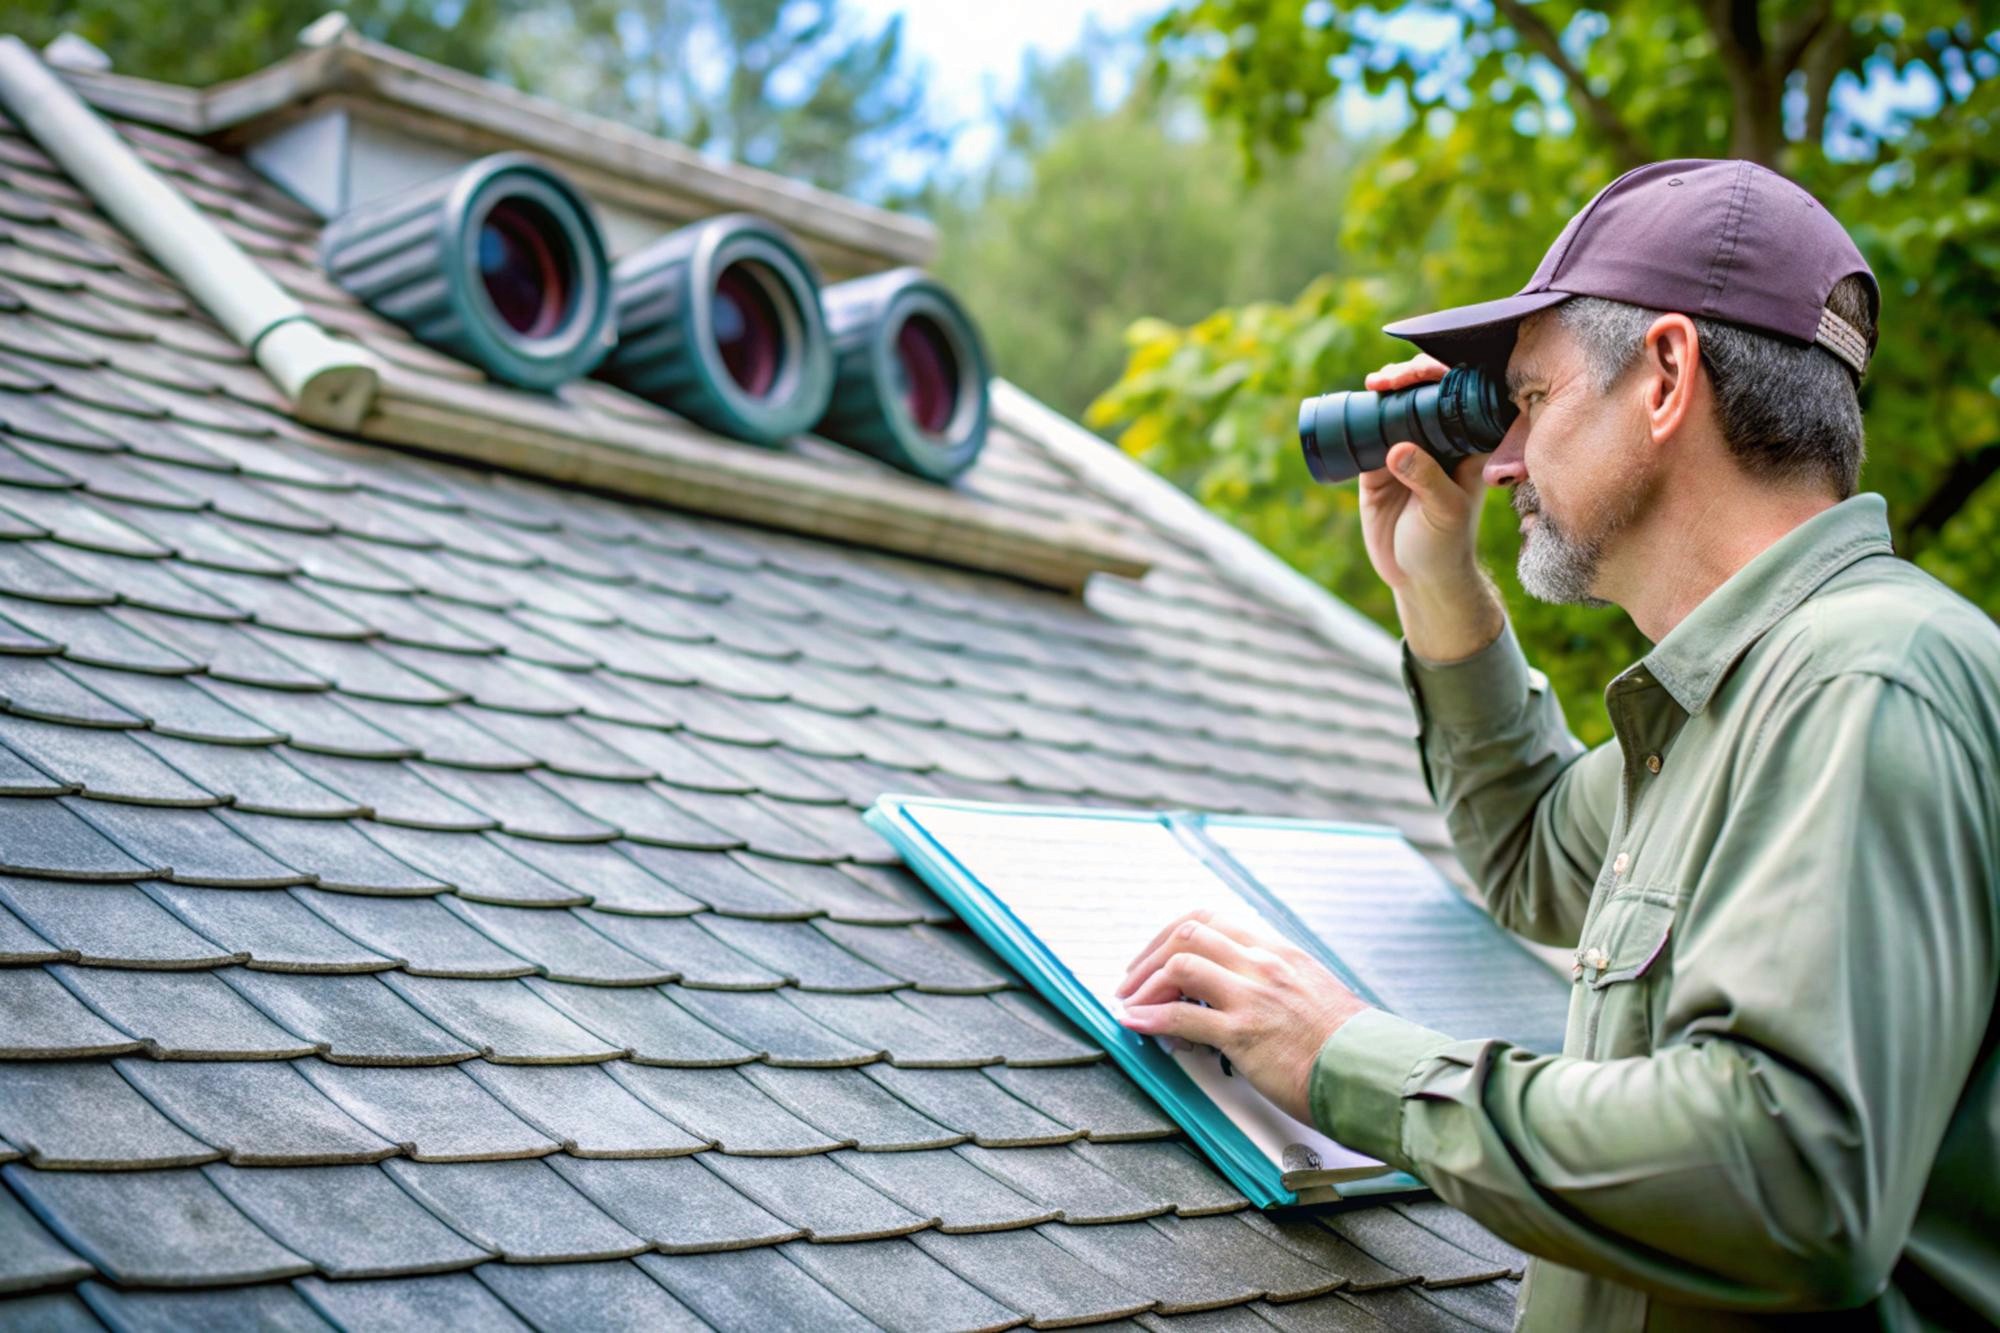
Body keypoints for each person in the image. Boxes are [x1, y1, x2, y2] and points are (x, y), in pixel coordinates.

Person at [1112, 158, 2000, 1331]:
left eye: (1528, 400)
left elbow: (1791, 1179)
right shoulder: (1726, 701)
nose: (1511, 458)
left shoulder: (1862, 679)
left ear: (1665, 375)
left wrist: (1345, 1059)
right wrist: (1438, 587)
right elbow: (1531, 851)